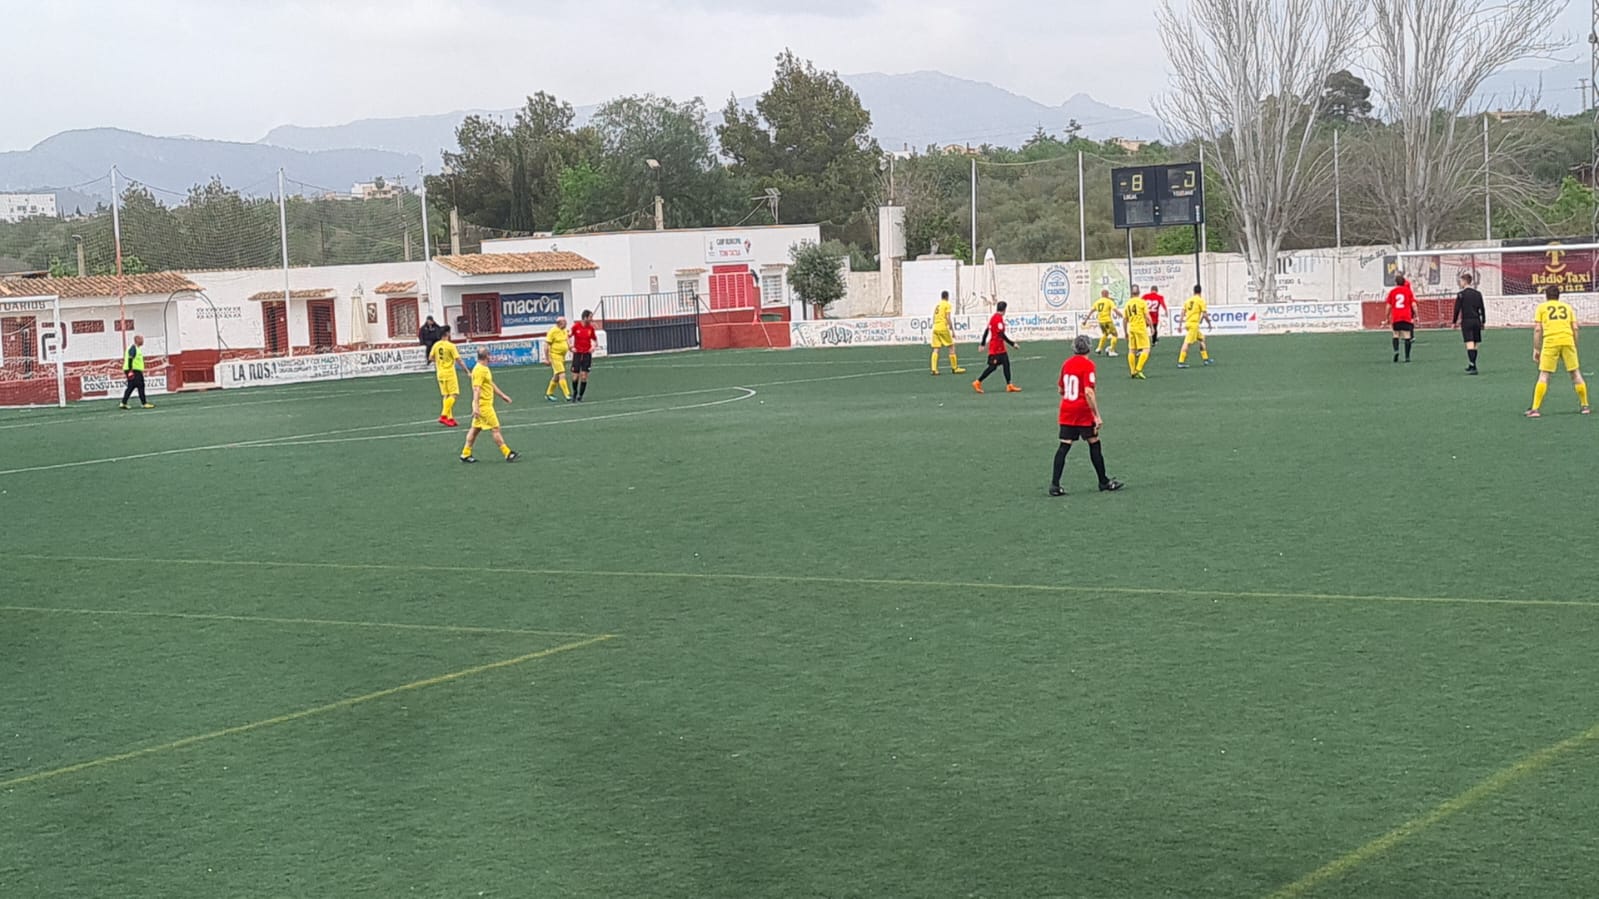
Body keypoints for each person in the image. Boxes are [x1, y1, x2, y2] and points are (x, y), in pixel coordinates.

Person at [1050, 334, 1124, 497]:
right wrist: (1096, 415)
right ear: (1089, 347)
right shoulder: (1088, 365)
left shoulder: (1067, 363)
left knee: (1064, 446)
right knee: (1094, 443)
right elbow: (1089, 392)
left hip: (1067, 410)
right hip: (1082, 411)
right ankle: (1103, 481)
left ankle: (1055, 484)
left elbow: (1061, 389)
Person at [1526, 285, 1590, 418]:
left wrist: (1536, 348)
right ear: (1558, 296)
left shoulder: (1542, 308)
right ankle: (1585, 406)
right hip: (1567, 340)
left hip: (1551, 342)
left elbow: (1538, 329)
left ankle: (1535, 409)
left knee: (1544, 374)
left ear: (1546, 296)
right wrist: (1574, 344)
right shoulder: (1567, 307)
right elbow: (1575, 328)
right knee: (1575, 373)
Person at [461, 348, 520, 463]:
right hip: (484, 406)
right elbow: (476, 389)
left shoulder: (483, 368)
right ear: (487, 356)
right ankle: (507, 453)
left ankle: (465, 453)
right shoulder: (480, 370)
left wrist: (502, 395)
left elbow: (490, 383)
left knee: (475, 429)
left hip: (484, 404)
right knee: (495, 428)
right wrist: (476, 406)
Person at [973, 300, 1022, 393]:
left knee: (1006, 364)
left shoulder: (993, 317)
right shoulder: (998, 319)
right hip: (996, 348)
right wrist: (1012, 344)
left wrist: (983, 343)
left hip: (1000, 348)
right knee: (992, 367)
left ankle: (1009, 385)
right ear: (1004, 309)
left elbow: (987, 330)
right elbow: (1001, 334)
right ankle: (978, 382)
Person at [428, 325, 470, 427]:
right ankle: (443, 415)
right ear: (447, 333)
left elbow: (430, 358)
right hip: (449, 373)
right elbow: (458, 360)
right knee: (454, 394)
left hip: (440, 373)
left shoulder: (436, 345)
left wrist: (439, 361)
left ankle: (450, 418)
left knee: (446, 395)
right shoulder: (451, 346)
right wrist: (467, 371)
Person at [1452, 273, 1486, 374]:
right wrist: (1483, 321)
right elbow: (1482, 308)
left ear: (1464, 281)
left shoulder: (1461, 294)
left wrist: (1454, 322)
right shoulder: (1478, 293)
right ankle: (1472, 364)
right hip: (1476, 320)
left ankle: (1473, 365)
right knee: (1475, 343)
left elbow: (1457, 309)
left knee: (1469, 342)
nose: (1460, 283)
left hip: (1467, 321)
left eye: (1461, 281)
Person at [1177, 285, 1212, 368]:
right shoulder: (1200, 300)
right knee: (1187, 343)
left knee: (1202, 338)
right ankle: (1180, 362)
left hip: (1188, 323)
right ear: (1201, 291)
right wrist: (1209, 323)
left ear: (1193, 291)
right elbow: (1205, 314)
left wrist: (1180, 325)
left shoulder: (1188, 301)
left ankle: (1206, 359)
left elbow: (1182, 313)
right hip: (1194, 325)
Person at [929, 290, 964, 375]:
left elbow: (934, 317)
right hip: (943, 328)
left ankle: (934, 369)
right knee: (951, 346)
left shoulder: (938, 305)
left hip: (935, 328)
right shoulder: (947, 305)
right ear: (947, 297)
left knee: (936, 348)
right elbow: (948, 317)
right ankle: (955, 368)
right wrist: (952, 329)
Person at [1385, 274, 1417, 363]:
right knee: (1407, 336)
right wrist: (1416, 315)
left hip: (1396, 316)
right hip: (1406, 316)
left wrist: (1387, 318)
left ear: (1396, 283)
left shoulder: (1392, 292)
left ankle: (1396, 350)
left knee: (1395, 334)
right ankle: (1407, 357)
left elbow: (1388, 306)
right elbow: (1414, 305)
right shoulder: (1408, 292)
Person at [118, 334, 154, 410]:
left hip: (134, 370)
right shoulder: (133, 348)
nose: (143, 341)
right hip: (133, 370)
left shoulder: (136, 348)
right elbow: (130, 358)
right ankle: (144, 403)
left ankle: (123, 403)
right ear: (137, 340)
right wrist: (130, 370)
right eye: (141, 339)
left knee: (131, 386)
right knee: (140, 385)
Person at [1122, 290, 1152, 379]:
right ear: (1139, 293)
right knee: (1146, 349)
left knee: (1132, 350)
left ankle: (1132, 371)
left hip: (1131, 328)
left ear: (1131, 294)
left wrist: (1125, 332)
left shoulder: (1128, 304)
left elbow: (1125, 319)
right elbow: (1147, 316)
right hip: (1140, 328)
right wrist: (1152, 327)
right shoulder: (1142, 302)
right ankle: (1138, 369)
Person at [570, 310, 598, 401]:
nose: (591, 319)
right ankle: (575, 391)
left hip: (586, 354)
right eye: (590, 317)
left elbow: (595, 339)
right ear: (585, 318)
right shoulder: (576, 326)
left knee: (584, 376)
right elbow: (568, 336)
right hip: (577, 354)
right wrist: (570, 347)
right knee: (575, 376)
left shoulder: (591, 328)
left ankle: (580, 395)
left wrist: (593, 347)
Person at [544, 316, 572, 402]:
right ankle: (567, 394)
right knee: (562, 374)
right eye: (564, 322)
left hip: (562, 357)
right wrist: (547, 358)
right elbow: (546, 345)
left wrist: (570, 347)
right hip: (555, 356)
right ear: (560, 323)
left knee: (556, 376)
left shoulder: (564, 330)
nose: (566, 324)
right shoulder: (553, 331)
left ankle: (549, 394)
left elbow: (567, 339)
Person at [1090, 289, 1122, 356]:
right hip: (1108, 321)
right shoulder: (1109, 301)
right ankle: (1112, 350)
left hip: (1101, 321)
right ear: (1107, 294)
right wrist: (1121, 315)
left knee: (1105, 333)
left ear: (1101, 294)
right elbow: (1115, 309)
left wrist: (1086, 319)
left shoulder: (1097, 302)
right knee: (1115, 335)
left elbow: (1092, 311)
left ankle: (1099, 348)